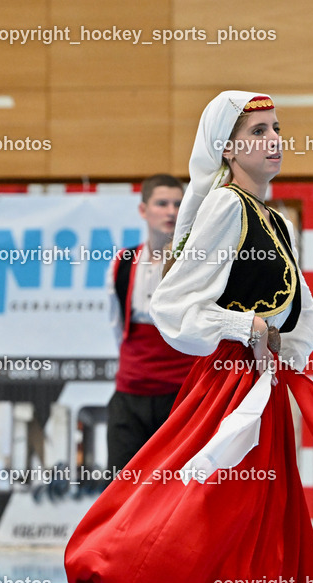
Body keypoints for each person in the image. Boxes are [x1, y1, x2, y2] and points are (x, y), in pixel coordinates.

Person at [65, 90, 313, 583]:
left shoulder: (273, 217)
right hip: (227, 391)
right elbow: (175, 304)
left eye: (277, 128)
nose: (274, 140)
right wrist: (246, 326)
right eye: (257, 131)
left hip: (264, 392)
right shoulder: (225, 208)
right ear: (227, 148)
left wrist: (288, 349)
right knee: (203, 527)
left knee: (255, 537)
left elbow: (301, 310)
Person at [105, 174, 196, 473]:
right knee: (121, 490)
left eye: (178, 204)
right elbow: (119, 327)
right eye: (162, 203)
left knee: (178, 491)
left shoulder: (196, 263)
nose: (171, 211)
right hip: (131, 394)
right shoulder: (123, 262)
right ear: (144, 210)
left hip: (183, 396)